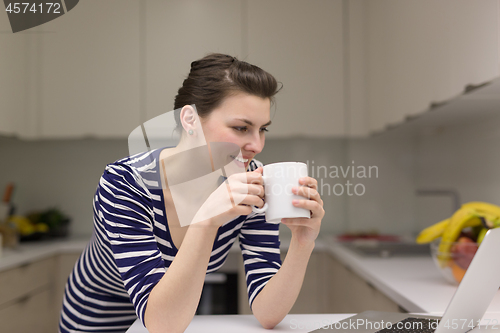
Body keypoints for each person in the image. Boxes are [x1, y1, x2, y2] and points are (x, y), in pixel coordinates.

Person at [59, 53, 325, 333]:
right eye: (241, 128)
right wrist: (206, 221)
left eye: (263, 129)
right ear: (190, 119)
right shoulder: (126, 182)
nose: (257, 145)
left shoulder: (253, 181)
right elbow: (161, 324)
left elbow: (268, 313)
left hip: (178, 310)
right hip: (100, 315)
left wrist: (303, 241)